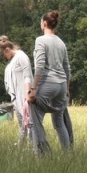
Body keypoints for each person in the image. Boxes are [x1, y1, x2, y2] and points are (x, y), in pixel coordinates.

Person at [27, 11, 74, 154]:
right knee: (59, 123)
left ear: (44, 24)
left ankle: (41, 153)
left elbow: (40, 66)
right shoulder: (61, 42)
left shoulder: (41, 40)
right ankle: (68, 154)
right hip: (61, 86)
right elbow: (67, 67)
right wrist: (67, 87)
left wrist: (33, 88)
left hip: (48, 83)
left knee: (36, 118)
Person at [0, 35, 33, 147]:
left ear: (7, 50)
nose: (5, 57)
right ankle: (21, 144)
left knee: (28, 122)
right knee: (21, 123)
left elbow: (27, 76)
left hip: (24, 95)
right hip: (16, 97)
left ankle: (31, 145)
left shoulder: (21, 57)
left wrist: (28, 93)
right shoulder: (14, 60)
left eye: (4, 54)